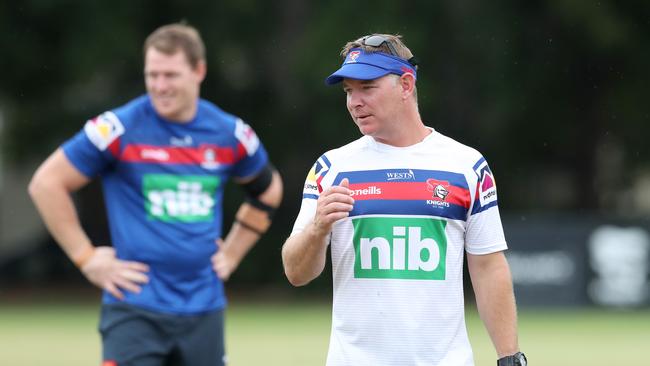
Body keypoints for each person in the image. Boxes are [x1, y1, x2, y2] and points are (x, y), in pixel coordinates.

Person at [28, 23, 283, 366]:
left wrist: (234, 252)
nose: (160, 86)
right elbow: (46, 184)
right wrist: (86, 259)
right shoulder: (118, 128)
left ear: (199, 71)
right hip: (134, 309)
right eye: (152, 75)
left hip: (204, 309)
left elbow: (268, 190)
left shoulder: (229, 133)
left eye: (171, 75)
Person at [281, 34, 526, 366]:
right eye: (349, 91)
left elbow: (488, 267)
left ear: (406, 85)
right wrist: (317, 230)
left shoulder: (467, 166)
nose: (355, 102)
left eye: (367, 88)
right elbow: (296, 272)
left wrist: (510, 357)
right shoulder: (331, 168)